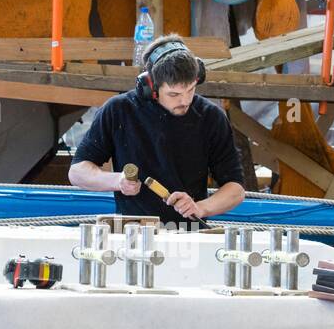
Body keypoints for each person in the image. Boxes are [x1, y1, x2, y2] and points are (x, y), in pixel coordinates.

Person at [68, 34, 246, 225]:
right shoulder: (119, 110)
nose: (185, 101)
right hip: (133, 230)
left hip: (190, 232)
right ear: (150, 86)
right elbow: (77, 172)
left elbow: (236, 188)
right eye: (174, 94)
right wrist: (117, 181)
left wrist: (201, 207)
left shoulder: (211, 117)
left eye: (191, 90)